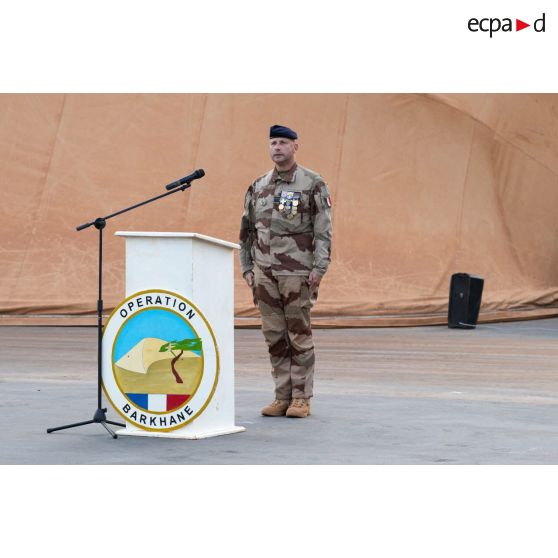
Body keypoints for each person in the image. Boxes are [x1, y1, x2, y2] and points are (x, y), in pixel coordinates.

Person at [239, 124, 332, 418]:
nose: (277, 148)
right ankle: (282, 396)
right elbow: (247, 230)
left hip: (297, 272)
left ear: (295, 146)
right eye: (273, 143)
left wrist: (319, 266)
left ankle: (302, 398)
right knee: (275, 336)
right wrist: (247, 267)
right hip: (264, 273)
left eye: (282, 143)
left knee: (298, 335)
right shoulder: (258, 185)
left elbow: (323, 230)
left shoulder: (312, 183)